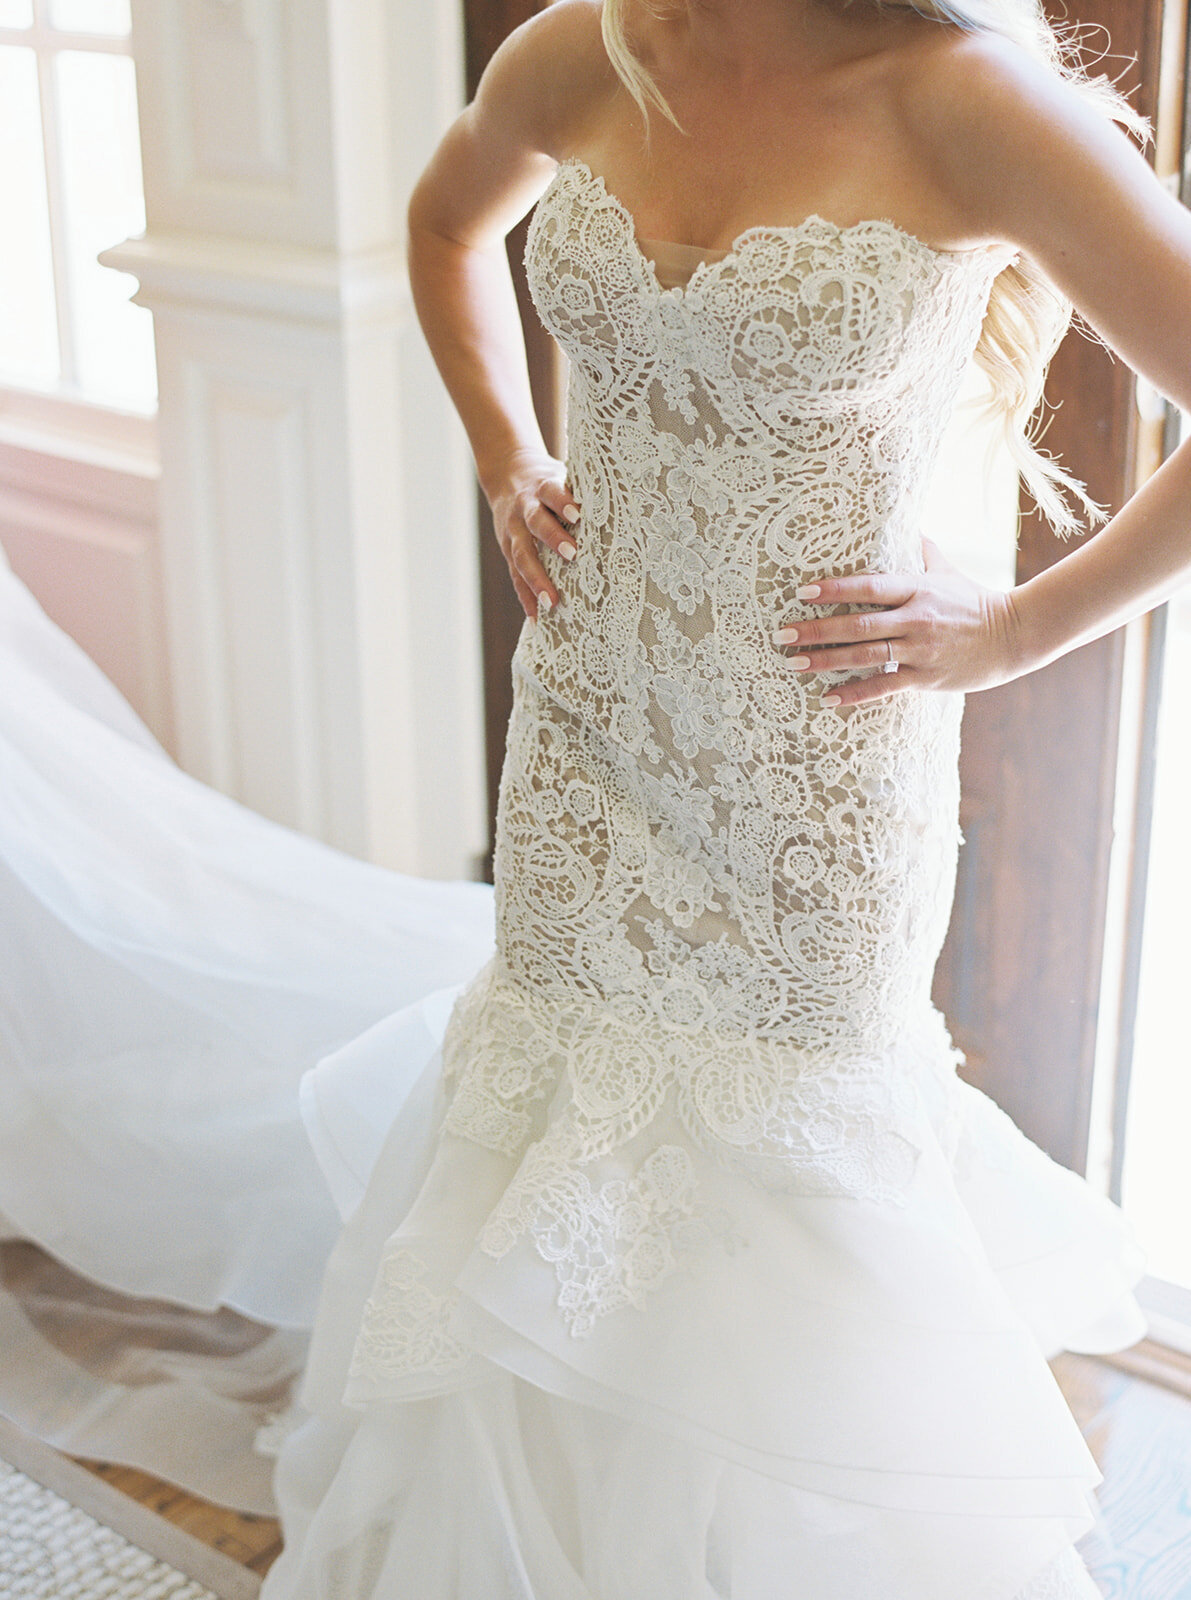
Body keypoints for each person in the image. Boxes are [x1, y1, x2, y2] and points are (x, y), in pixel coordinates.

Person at [250, 1, 1191, 1596]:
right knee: (542, 1195)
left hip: (810, 804)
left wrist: (1017, 629)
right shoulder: (588, 47)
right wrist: (507, 454)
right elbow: (444, 222)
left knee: (779, 1232)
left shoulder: (964, 101)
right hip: (584, 758)